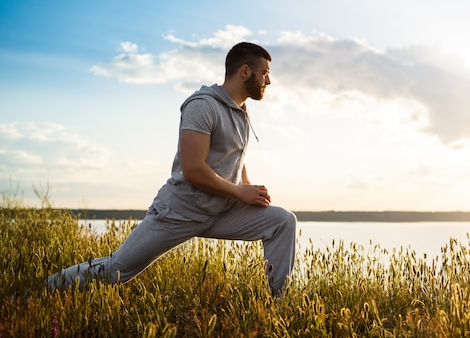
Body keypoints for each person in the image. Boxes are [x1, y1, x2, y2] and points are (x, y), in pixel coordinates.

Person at [47, 42, 296, 296]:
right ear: (245, 71)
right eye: (265, 73)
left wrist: (246, 188)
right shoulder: (202, 106)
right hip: (180, 211)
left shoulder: (241, 112)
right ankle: (45, 288)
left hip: (221, 210)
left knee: (282, 221)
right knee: (116, 271)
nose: (268, 80)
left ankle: (277, 305)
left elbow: (235, 156)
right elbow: (193, 169)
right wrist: (238, 192)